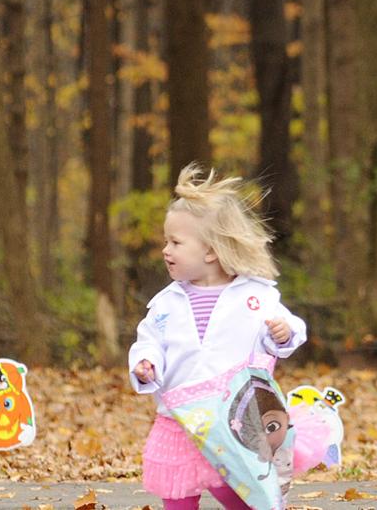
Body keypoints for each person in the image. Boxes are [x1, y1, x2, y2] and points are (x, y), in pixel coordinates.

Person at [128, 164, 308, 510]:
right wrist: (145, 362)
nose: (166, 250)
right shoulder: (166, 303)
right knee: (178, 493)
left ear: (210, 251)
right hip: (180, 418)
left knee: (242, 494)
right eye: (166, 241)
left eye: (176, 242)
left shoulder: (255, 296)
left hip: (235, 421)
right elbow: (149, 339)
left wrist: (284, 333)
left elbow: (287, 330)